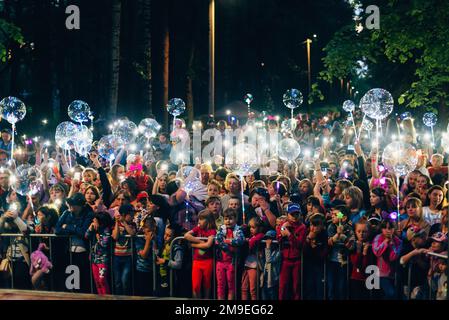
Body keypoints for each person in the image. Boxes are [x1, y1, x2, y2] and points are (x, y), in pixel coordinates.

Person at [55, 192, 94, 293]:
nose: (71, 206)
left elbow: (82, 232)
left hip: (83, 251)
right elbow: (58, 230)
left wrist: (67, 227)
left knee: (82, 280)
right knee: (71, 280)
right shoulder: (67, 213)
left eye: (74, 204)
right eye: (70, 203)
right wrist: (74, 229)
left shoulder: (88, 214)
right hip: (69, 251)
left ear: (80, 205)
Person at [276, 203, 306, 300]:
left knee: (296, 286)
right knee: (283, 286)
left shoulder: (302, 227)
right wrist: (282, 228)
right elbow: (279, 239)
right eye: (292, 214)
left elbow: (299, 244)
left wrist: (288, 234)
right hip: (285, 260)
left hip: (297, 260)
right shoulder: (283, 225)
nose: (295, 216)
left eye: (297, 214)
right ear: (287, 214)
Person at [184, 210, 216, 299]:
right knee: (196, 285)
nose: (199, 221)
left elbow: (208, 244)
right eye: (199, 219)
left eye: (202, 219)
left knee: (207, 284)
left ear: (208, 220)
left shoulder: (212, 231)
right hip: (197, 261)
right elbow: (186, 235)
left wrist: (194, 245)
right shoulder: (198, 229)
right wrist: (200, 241)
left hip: (208, 261)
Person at [214, 208, 245, 300]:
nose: (228, 221)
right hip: (220, 261)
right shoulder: (221, 229)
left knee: (231, 285)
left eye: (231, 219)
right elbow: (218, 240)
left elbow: (240, 240)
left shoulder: (238, 229)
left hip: (232, 262)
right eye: (226, 219)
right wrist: (228, 246)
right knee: (220, 284)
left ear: (235, 219)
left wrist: (227, 241)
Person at [327, 205, 354, 300]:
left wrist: (343, 236)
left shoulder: (349, 228)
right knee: (331, 287)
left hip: (343, 263)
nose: (332, 216)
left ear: (344, 217)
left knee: (341, 287)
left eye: (335, 214)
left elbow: (351, 246)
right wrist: (337, 234)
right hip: (331, 261)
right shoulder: (330, 226)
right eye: (332, 214)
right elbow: (329, 242)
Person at [372, 219, 402, 299]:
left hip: (394, 274)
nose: (387, 230)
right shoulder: (378, 237)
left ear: (394, 229)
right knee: (390, 294)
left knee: (394, 295)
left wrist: (391, 244)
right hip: (381, 274)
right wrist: (385, 242)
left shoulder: (398, 241)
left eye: (390, 228)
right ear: (381, 229)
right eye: (385, 228)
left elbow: (393, 257)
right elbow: (376, 251)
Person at [111, 203, 137, 295]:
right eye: (131, 214)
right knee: (117, 281)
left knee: (125, 280)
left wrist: (124, 222)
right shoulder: (117, 224)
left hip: (127, 257)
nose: (133, 216)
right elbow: (115, 236)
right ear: (123, 215)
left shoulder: (132, 224)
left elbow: (132, 233)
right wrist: (118, 222)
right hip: (117, 256)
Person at [85, 212, 113, 295]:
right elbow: (86, 236)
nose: (94, 222)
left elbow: (104, 244)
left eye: (96, 221)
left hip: (103, 260)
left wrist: (98, 235)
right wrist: (90, 228)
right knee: (97, 281)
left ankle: (106, 297)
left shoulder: (106, 230)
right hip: (94, 259)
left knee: (102, 280)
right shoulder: (93, 228)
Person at [303, 213, 328, 300]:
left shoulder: (325, 235)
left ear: (322, 226)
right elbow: (302, 250)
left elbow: (324, 254)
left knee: (319, 290)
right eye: (311, 225)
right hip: (308, 265)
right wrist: (308, 239)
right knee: (309, 288)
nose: (313, 228)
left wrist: (315, 247)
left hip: (319, 266)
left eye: (316, 225)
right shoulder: (306, 232)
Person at [349, 218, 373, 299]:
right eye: (358, 231)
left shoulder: (371, 246)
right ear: (355, 232)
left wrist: (365, 253)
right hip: (356, 278)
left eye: (364, 231)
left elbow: (366, 266)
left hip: (368, 279)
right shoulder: (353, 245)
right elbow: (356, 264)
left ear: (369, 232)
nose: (361, 234)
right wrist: (359, 251)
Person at [241, 217, 264, 300]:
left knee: (253, 289)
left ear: (260, 228)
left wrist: (250, 241)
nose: (251, 229)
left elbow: (255, 240)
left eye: (253, 227)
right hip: (246, 264)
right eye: (250, 227)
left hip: (254, 265)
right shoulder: (250, 235)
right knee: (244, 288)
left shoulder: (260, 235)